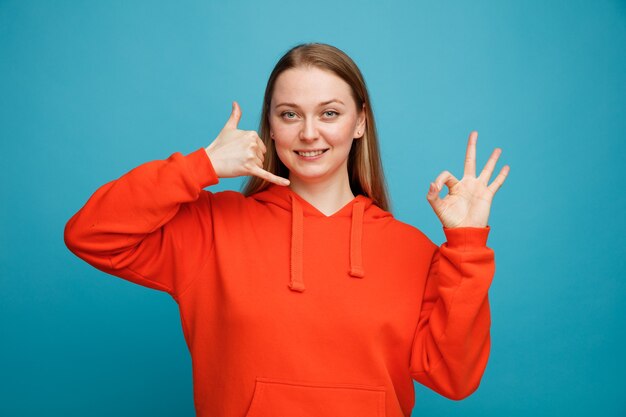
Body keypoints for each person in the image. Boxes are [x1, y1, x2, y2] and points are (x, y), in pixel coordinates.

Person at [64, 42, 509, 417]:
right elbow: (91, 233)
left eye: (330, 113)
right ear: (271, 127)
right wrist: (200, 166)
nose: (309, 133)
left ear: (360, 122)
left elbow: (455, 377)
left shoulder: (413, 251)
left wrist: (466, 244)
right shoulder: (213, 227)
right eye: (290, 114)